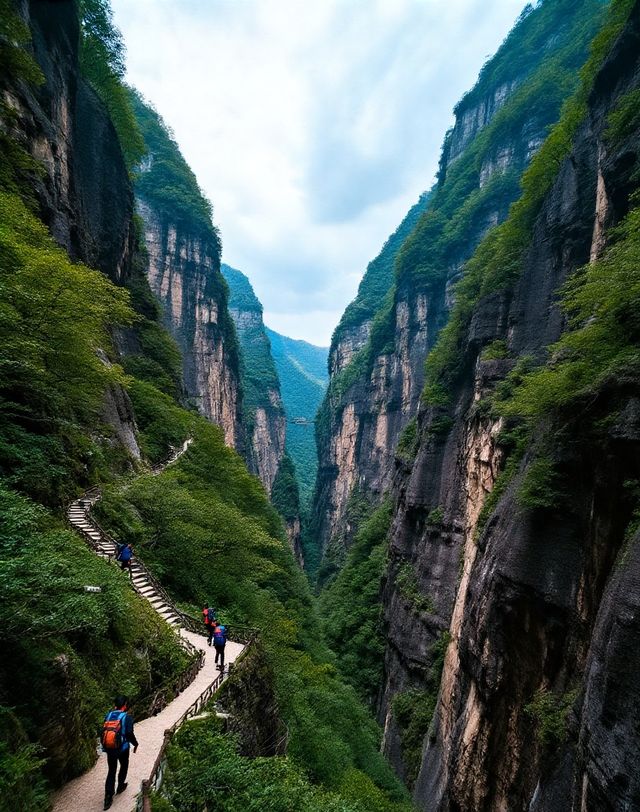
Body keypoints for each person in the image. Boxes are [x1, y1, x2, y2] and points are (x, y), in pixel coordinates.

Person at [101, 695, 139, 810]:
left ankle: (108, 798)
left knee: (111, 770)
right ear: (125, 705)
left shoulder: (108, 715)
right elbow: (129, 733)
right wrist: (135, 743)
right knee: (124, 765)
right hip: (122, 748)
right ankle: (120, 786)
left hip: (110, 747)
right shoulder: (126, 717)